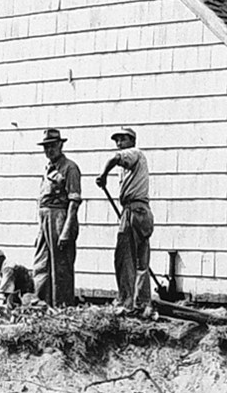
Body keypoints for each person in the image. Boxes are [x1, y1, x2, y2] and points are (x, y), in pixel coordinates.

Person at [96, 127, 155, 318]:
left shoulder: (133, 153)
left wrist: (103, 176)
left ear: (131, 140)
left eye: (121, 140)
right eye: (116, 141)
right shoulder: (134, 162)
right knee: (141, 260)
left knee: (124, 258)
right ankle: (143, 303)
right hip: (142, 211)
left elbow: (114, 158)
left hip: (133, 211)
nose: (118, 144)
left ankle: (126, 303)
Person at [35, 128, 82, 307]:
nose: (49, 150)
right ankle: (42, 306)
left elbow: (74, 201)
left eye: (53, 146)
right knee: (42, 263)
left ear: (61, 145)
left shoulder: (70, 168)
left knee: (61, 267)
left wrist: (66, 230)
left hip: (60, 218)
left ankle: (62, 308)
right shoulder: (48, 168)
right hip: (45, 219)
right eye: (46, 147)